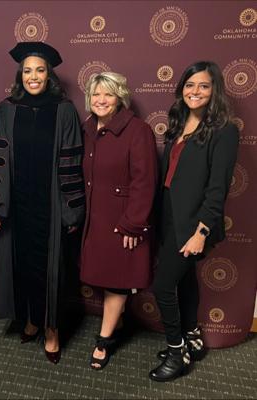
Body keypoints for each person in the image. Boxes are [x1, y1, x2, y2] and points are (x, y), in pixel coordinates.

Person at [0, 42, 85, 364]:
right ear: (20, 75)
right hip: (17, 205)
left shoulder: (64, 110)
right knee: (21, 264)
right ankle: (30, 319)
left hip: (50, 206)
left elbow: (71, 162)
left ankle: (51, 329)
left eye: (40, 70)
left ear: (49, 74)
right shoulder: (8, 109)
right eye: (27, 71)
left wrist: (70, 210)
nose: (33, 76)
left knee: (51, 270)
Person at [149, 61, 239, 381]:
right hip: (168, 213)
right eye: (190, 85)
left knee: (163, 285)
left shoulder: (224, 130)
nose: (195, 91)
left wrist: (201, 231)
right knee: (185, 279)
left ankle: (177, 353)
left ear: (215, 91)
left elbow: (217, 189)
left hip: (193, 221)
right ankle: (193, 338)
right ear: (182, 89)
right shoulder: (177, 123)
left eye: (203, 86)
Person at [80, 72, 158, 370]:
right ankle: (118, 320)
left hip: (121, 220)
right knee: (106, 275)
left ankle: (104, 340)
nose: (101, 100)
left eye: (108, 94)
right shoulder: (87, 127)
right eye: (96, 94)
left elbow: (145, 182)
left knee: (117, 281)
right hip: (94, 217)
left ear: (120, 98)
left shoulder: (138, 130)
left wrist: (133, 223)